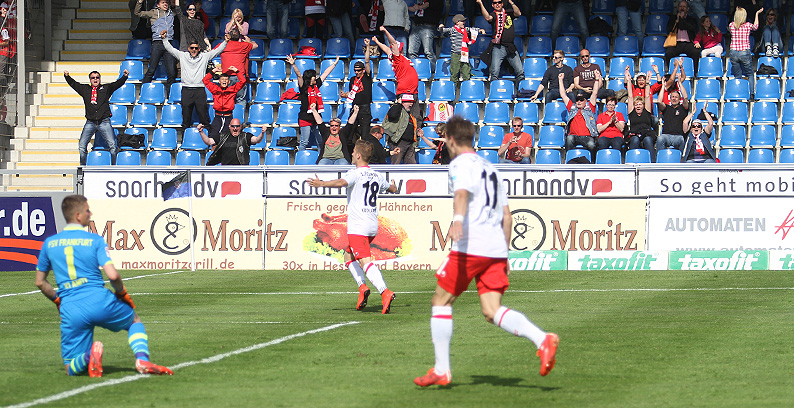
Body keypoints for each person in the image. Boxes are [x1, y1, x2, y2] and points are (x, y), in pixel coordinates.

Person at [412, 116, 558, 387]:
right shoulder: (491, 168)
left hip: (471, 244)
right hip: (495, 247)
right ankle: (542, 339)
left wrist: (457, 221)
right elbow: (507, 216)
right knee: (492, 310)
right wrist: (504, 254)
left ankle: (442, 370)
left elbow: (461, 194)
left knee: (440, 302)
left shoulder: (460, 164)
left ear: (451, 140)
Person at [35, 195, 173, 377]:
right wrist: (122, 293)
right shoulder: (95, 240)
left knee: (70, 368)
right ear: (78, 215)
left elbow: (40, 282)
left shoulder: (49, 243)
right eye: (87, 210)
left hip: (71, 308)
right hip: (99, 300)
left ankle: (88, 356)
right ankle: (142, 359)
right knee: (134, 321)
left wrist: (58, 300)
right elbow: (113, 275)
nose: (90, 213)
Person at [307, 140, 399, 314]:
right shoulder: (377, 175)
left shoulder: (355, 174)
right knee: (348, 255)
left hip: (358, 225)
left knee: (364, 261)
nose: (351, 154)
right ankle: (362, 287)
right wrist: (394, 186)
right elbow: (392, 188)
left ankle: (385, 291)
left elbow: (342, 182)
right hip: (372, 224)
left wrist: (322, 184)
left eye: (353, 152)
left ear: (358, 155)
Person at [163, 31, 226, 130]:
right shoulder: (182, 55)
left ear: (199, 49)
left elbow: (217, 51)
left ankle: (209, 138)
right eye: (192, 48)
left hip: (199, 90)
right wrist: (164, 39)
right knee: (186, 119)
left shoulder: (204, 56)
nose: (194, 50)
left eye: (196, 48)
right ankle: (184, 138)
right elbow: (170, 49)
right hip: (186, 90)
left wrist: (226, 41)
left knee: (204, 118)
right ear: (188, 48)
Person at [65, 70, 127, 166]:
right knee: (82, 146)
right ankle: (83, 168)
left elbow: (117, 84)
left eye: (97, 77)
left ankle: (114, 168)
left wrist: (124, 76)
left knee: (113, 146)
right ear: (90, 80)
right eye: (93, 78)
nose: (95, 79)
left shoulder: (106, 88)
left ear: (100, 79)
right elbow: (74, 84)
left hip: (104, 121)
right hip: (90, 122)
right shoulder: (85, 89)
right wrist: (67, 76)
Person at [288, 54, 341, 151]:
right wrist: (293, 64)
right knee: (304, 142)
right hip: (305, 118)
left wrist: (335, 63)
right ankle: (300, 159)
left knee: (320, 141)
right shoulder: (303, 87)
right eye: (314, 76)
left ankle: (321, 157)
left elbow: (326, 73)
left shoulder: (316, 85)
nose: (316, 77)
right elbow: (299, 75)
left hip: (316, 117)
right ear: (309, 78)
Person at [372, 27, 422, 125]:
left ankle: (416, 132)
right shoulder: (398, 59)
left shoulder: (397, 58)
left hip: (413, 92)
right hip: (406, 91)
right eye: (401, 48)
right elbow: (393, 44)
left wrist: (377, 42)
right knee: (407, 117)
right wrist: (385, 31)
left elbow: (387, 49)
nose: (403, 49)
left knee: (415, 117)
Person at [438, 14, 484, 100]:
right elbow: (443, 30)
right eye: (462, 21)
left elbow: (472, 29)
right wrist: (441, 27)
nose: (464, 22)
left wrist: (480, 30)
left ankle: (467, 92)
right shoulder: (452, 29)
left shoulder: (465, 29)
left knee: (466, 71)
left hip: (464, 54)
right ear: (457, 22)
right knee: (454, 73)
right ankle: (452, 93)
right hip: (455, 54)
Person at [476, 0, 524, 83]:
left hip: (511, 47)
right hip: (498, 47)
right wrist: (481, 4)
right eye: (495, 3)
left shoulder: (508, 12)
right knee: (494, 72)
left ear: (502, 4)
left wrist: (511, 2)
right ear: (492, 5)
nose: (497, 4)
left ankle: (521, 88)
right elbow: (487, 17)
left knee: (520, 71)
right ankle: (493, 89)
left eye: (499, 2)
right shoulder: (493, 15)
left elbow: (518, 13)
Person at [135, 0, 177, 93]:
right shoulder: (153, 12)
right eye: (163, 2)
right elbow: (137, 13)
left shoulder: (171, 13)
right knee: (151, 69)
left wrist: (175, 3)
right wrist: (139, 2)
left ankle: (170, 94)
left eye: (166, 2)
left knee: (171, 72)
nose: (165, 4)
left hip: (169, 43)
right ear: (158, 5)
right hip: (157, 43)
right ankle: (143, 92)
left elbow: (180, 9)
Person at [560, 72, 599, 157]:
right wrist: (560, 80)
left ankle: (593, 162)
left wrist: (596, 79)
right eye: (577, 100)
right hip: (574, 136)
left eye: (581, 100)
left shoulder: (590, 107)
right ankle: (569, 159)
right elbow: (563, 95)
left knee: (592, 145)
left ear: (585, 101)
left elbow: (595, 93)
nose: (579, 102)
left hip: (587, 136)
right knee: (569, 139)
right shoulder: (572, 108)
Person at [203, 65, 247, 142]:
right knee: (213, 136)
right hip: (217, 117)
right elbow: (205, 80)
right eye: (222, 79)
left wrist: (236, 71)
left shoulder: (232, 89)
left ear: (229, 82)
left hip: (228, 117)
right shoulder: (215, 89)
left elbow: (243, 81)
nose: (224, 81)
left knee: (228, 138)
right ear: (219, 81)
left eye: (226, 79)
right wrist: (214, 71)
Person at [197, 118, 264, 165]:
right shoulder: (223, 136)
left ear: (240, 127)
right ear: (229, 126)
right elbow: (209, 142)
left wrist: (262, 133)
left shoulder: (246, 136)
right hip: (226, 169)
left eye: (237, 126)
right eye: (233, 126)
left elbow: (257, 140)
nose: (235, 128)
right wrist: (201, 132)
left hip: (241, 169)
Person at [340, 43, 373, 139]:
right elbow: (352, 93)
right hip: (354, 107)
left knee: (365, 135)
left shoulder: (367, 77)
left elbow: (367, 61)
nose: (357, 72)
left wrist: (367, 47)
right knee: (349, 133)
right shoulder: (352, 79)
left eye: (359, 70)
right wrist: (345, 95)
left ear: (363, 70)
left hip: (365, 108)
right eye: (355, 70)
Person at [729, 7, 762, 99]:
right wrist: (757, 14)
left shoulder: (731, 25)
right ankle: (751, 94)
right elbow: (756, 27)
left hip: (733, 51)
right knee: (750, 74)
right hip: (744, 51)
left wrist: (736, 11)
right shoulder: (747, 25)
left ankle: (739, 94)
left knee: (737, 75)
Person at [220, 27, 257, 104]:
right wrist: (249, 41)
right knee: (240, 99)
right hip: (239, 76)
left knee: (228, 99)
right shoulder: (244, 45)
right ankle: (240, 112)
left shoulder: (223, 45)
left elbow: (213, 52)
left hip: (227, 77)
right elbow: (255, 45)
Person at [383, 94, 421, 164]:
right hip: (398, 142)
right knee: (396, 163)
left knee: (412, 166)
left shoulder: (410, 115)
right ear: (402, 102)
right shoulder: (396, 110)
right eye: (409, 102)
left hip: (410, 144)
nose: (411, 104)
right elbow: (392, 115)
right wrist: (398, 104)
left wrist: (417, 133)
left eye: (412, 102)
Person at [664, 1, 700, 75]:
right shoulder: (673, 18)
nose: (682, 8)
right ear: (678, 8)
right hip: (676, 43)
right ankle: (671, 73)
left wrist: (681, 19)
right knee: (668, 53)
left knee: (695, 52)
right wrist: (677, 21)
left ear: (688, 9)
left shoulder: (691, 19)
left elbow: (692, 28)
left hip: (688, 43)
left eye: (684, 7)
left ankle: (695, 72)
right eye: (680, 6)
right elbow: (669, 29)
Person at [656, 75, 690, 153]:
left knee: (681, 140)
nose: (674, 98)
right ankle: (660, 157)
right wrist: (663, 86)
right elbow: (659, 101)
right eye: (672, 97)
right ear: (670, 98)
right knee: (660, 139)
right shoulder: (666, 108)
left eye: (676, 97)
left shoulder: (683, 108)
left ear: (679, 99)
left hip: (678, 136)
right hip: (666, 135)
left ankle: (681, 158)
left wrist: (680, 83)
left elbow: (685, 97)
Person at [408, 0, 443, 68]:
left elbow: (427, 4)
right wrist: (404, 6)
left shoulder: (436, 2)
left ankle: (433, 70)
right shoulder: (421, 2)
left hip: (428, 26)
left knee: (428, 51)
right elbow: (414, 8)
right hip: (416, 26)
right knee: (411, 51)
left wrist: (419, 7)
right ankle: (414, 69)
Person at [626, 96, 656, 160]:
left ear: (643, 106)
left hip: (646, 133)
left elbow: (647, 97)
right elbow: (630, 97)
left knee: (648, 140)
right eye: (636, 105)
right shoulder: (632, 112)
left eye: (640, 104)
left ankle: (652, 162)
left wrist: (647, 87)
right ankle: (631, 160)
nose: (638, 106)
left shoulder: (647, 111)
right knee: (635, 140)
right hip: (635, 134)